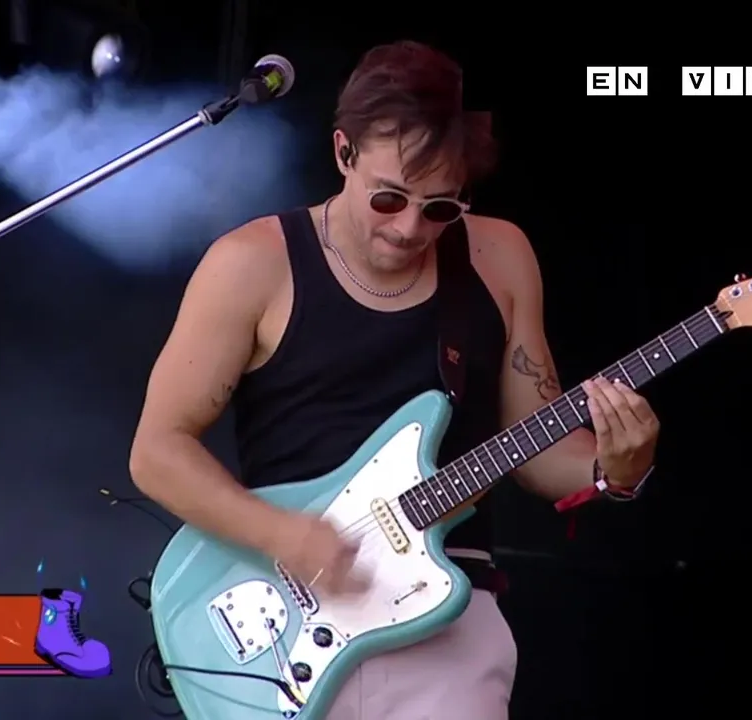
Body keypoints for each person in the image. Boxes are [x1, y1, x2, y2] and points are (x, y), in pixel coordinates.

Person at [128, 41, 660, 719]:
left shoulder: (499, 256)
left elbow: (537, 444)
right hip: (280, 622)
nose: (410, 228)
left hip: (445, 619)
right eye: (389, 198)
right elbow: (157, 451)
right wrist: (284, 535)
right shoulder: (252, 263)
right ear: (343, 153)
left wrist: (616, 470)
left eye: (440, 208)